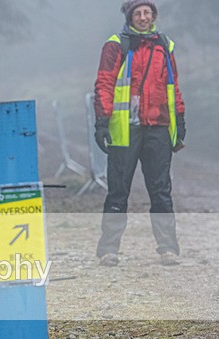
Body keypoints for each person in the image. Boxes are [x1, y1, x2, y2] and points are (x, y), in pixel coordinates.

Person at [93, 0, 185, 267]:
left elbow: (173, 86)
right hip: (125, 130)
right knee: (118, 191)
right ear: (130, 16)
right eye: (138, 13)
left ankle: (168, 248)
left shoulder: (164, 45)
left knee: (160, 190)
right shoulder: (115, 45)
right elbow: (104, 83)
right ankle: (108, 250)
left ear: (153, 15)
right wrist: (102, 121)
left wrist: (179, 119)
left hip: (157, 126)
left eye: (148, 12)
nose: (143, 17)